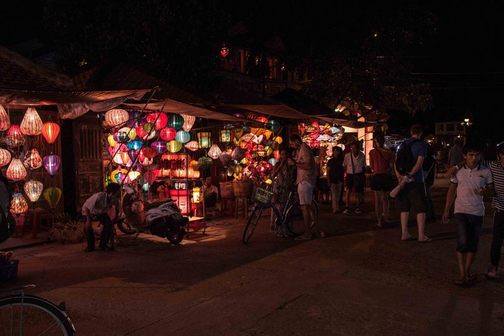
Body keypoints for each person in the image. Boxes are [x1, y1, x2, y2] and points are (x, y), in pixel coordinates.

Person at [442, 144, 493, 286]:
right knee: (462, 241)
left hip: (477, 211)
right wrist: (446, 210)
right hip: (460, 210)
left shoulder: (486, 171)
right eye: (470, 154)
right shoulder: (458, 171)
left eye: (476, 154)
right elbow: (451, 190)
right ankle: (462, 274)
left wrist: (485, 192)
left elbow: (491, 191)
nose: (473, 157)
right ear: (464, 156)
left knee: (473, 243)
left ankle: (467, 271)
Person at [395, 124, 430, 242]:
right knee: (420, 208)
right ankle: (421, 235)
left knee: (404, 208)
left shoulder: (402, 144)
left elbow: (396, 163)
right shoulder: (422, 145)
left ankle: (404, 233)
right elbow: (419, 163)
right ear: (420, 133)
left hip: (403, 180)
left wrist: (401, 177)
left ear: (411, 132)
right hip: (416, 180)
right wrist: (410, 175)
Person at [289, 134, 318, 240]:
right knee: (308, 207)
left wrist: (295, 163)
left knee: (304, 207)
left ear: (296, 141)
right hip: (304, 181)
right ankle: (315, 230)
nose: (292, 146)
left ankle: (308, 233)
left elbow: (308, 166)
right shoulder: (301, 149)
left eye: (292, 143)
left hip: (305, 181)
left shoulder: (304, 149)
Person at [82, 183, 121, 252]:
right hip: (88, 211)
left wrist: (114, 219)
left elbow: (116, 209)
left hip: (101, 213)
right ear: (112, 193)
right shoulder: (99, 196)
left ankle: (103, 244)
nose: (119, 194)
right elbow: (86, 208)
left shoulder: (114, 199)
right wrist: (88, 220)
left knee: (108, 224)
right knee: (88, 228)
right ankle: (90, 246)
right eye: (117, 193)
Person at [369, 134, 394, 227]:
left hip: (376, 176)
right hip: (386, 176)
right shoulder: (388, 152)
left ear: (376, 142)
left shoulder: (372, 152)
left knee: (377, 200)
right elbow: (391, 165)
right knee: (385, 199)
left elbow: (371, 166)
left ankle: (379, 220)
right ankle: (386, 217)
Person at [343, 141, 366, 215]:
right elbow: (345, 165)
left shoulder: (362, 155)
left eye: (355, 148)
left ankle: (358, 207)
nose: (353, 149)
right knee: (348, 191)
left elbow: (363, 166)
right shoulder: (347, 156)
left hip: (358, 175)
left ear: (358, 148)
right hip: (350, 174)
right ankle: (347, 207)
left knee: (358, 192)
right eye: (352, 148)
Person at [327, 146, 344, 214]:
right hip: (333, 179)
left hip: (339, 179)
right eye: (335, 151)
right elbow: (328, 171)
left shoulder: (341, 160)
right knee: (334, 194)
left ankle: (336, 207)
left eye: (337, 151)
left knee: (338, 194)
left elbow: (343, 169)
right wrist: (328, 180)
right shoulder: (330, 161)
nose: (336, 152)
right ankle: (335, 208)